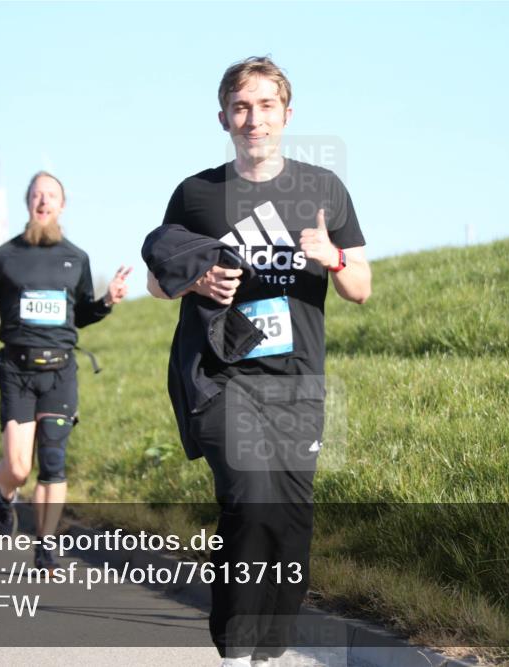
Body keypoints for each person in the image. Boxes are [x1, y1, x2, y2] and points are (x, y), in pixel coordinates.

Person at [143, 57, 371, 666]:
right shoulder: (196, 193)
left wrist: (333, 257)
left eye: (267, 105)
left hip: (298, 382)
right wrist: (195, 285)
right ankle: (237, 652)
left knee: (291, 520)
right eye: (242, 107)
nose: (254, 119)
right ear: (224, 117)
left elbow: (363, 288)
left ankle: (268, 650)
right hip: (223, 376)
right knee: (248, 500)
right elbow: (157, 281)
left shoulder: (323, 189)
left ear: (286, 114)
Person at [0, 170, 131, 572]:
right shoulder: (4, 256)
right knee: (17, 467)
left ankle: (46, 545)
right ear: (28, 203)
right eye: (36, 195)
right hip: (16, 371)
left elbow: (81, 314)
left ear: (62, 205)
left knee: (53, 460)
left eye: (51, 195)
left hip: (60, 372)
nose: (43, 201)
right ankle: (4, 496)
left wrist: (108, 300)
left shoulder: (76, 257)